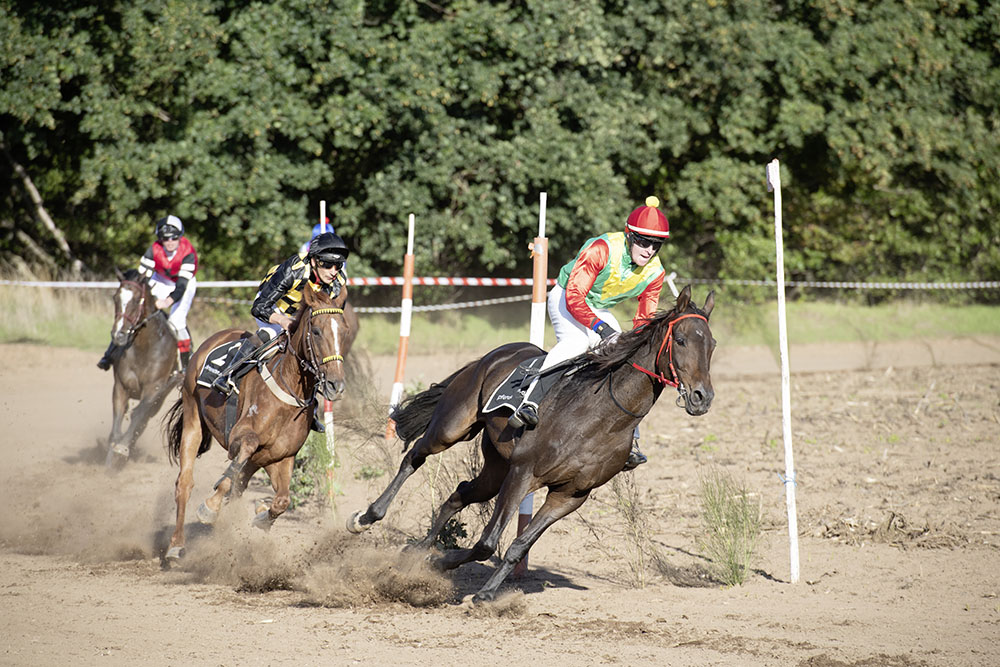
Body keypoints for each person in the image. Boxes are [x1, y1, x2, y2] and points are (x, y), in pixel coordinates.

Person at [507, 195, 670, 470]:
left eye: (656, 244)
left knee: (625, 357)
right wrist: (601, 328)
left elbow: (644, 317)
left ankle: (631, 437)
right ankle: (530, 401)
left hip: (597, 307)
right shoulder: (601, 249)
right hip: (566, 297)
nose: (649, 249)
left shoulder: (655, 273)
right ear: (629, 236)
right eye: (642, 240)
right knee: (576, 343)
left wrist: (634, 342)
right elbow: (575, 297)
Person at [211, 232, 350, 430]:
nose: (333, 271)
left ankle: (311, 405)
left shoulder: (338, 284)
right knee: (269, 335)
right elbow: (259, 307)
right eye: (327, 264)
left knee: (313, 350)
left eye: (338, 265)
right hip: (273, 306)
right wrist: (283, 321)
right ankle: (229, 375)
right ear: (314, 260)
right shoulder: (293, 270)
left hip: (302, 314)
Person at [97, 214, 198, 372]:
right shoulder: (154, 249)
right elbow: (141, 276)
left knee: (176, 321)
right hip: (161, 279)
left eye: (173, 238)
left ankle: (186, 365)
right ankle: (109, 354)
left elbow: (181, 287)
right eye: (165, 238)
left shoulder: (188, 253)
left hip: (183, 284)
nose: (170, 242)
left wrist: (166, 301)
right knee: (133, 309)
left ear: (179, 237)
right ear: (160, 239)